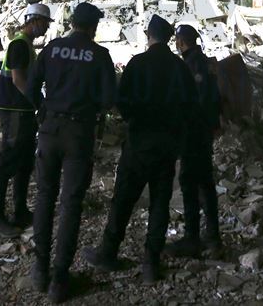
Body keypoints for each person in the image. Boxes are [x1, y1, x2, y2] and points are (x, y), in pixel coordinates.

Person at [84, 15, 197, 284]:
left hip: (139, 143)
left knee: (123, 198)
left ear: (149, 35)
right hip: (167, 145)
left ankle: (108, 252)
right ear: (169, 38)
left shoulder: (137, 63)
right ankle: (150, 264)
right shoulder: (180, 68)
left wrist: (133, 119)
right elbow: (191, 105)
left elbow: (121, 101)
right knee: (160, 203)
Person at [25, 3, 116, 302]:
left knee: (44, 197)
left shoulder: (52, 49)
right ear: (93, 28)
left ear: (73, 22)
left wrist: (42, 109)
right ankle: (60, 278)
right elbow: (108, 99)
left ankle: (40, 270)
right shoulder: (99, 55)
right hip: (79, 134)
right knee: (71, 204)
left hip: (50, 130)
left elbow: (30, 87)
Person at [0, 3, 53, 236]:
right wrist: (37, 103)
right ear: (33, 21)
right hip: (14, 110)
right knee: (8, 161)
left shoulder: (26, 45)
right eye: (44, 23)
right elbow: (18, 80)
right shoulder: (19, 45)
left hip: (22, 111)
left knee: (24, 162)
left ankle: (20, 211)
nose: (46, 28)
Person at [165, 25, 222, 258]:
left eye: (177, 41)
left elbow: (189, 102)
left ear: (181, 42)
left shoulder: (189, 65)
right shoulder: (205, 62)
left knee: (189, 183)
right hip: (204, 133)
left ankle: (193, 239)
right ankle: (213, 237)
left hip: (192, 134)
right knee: (205, 183)